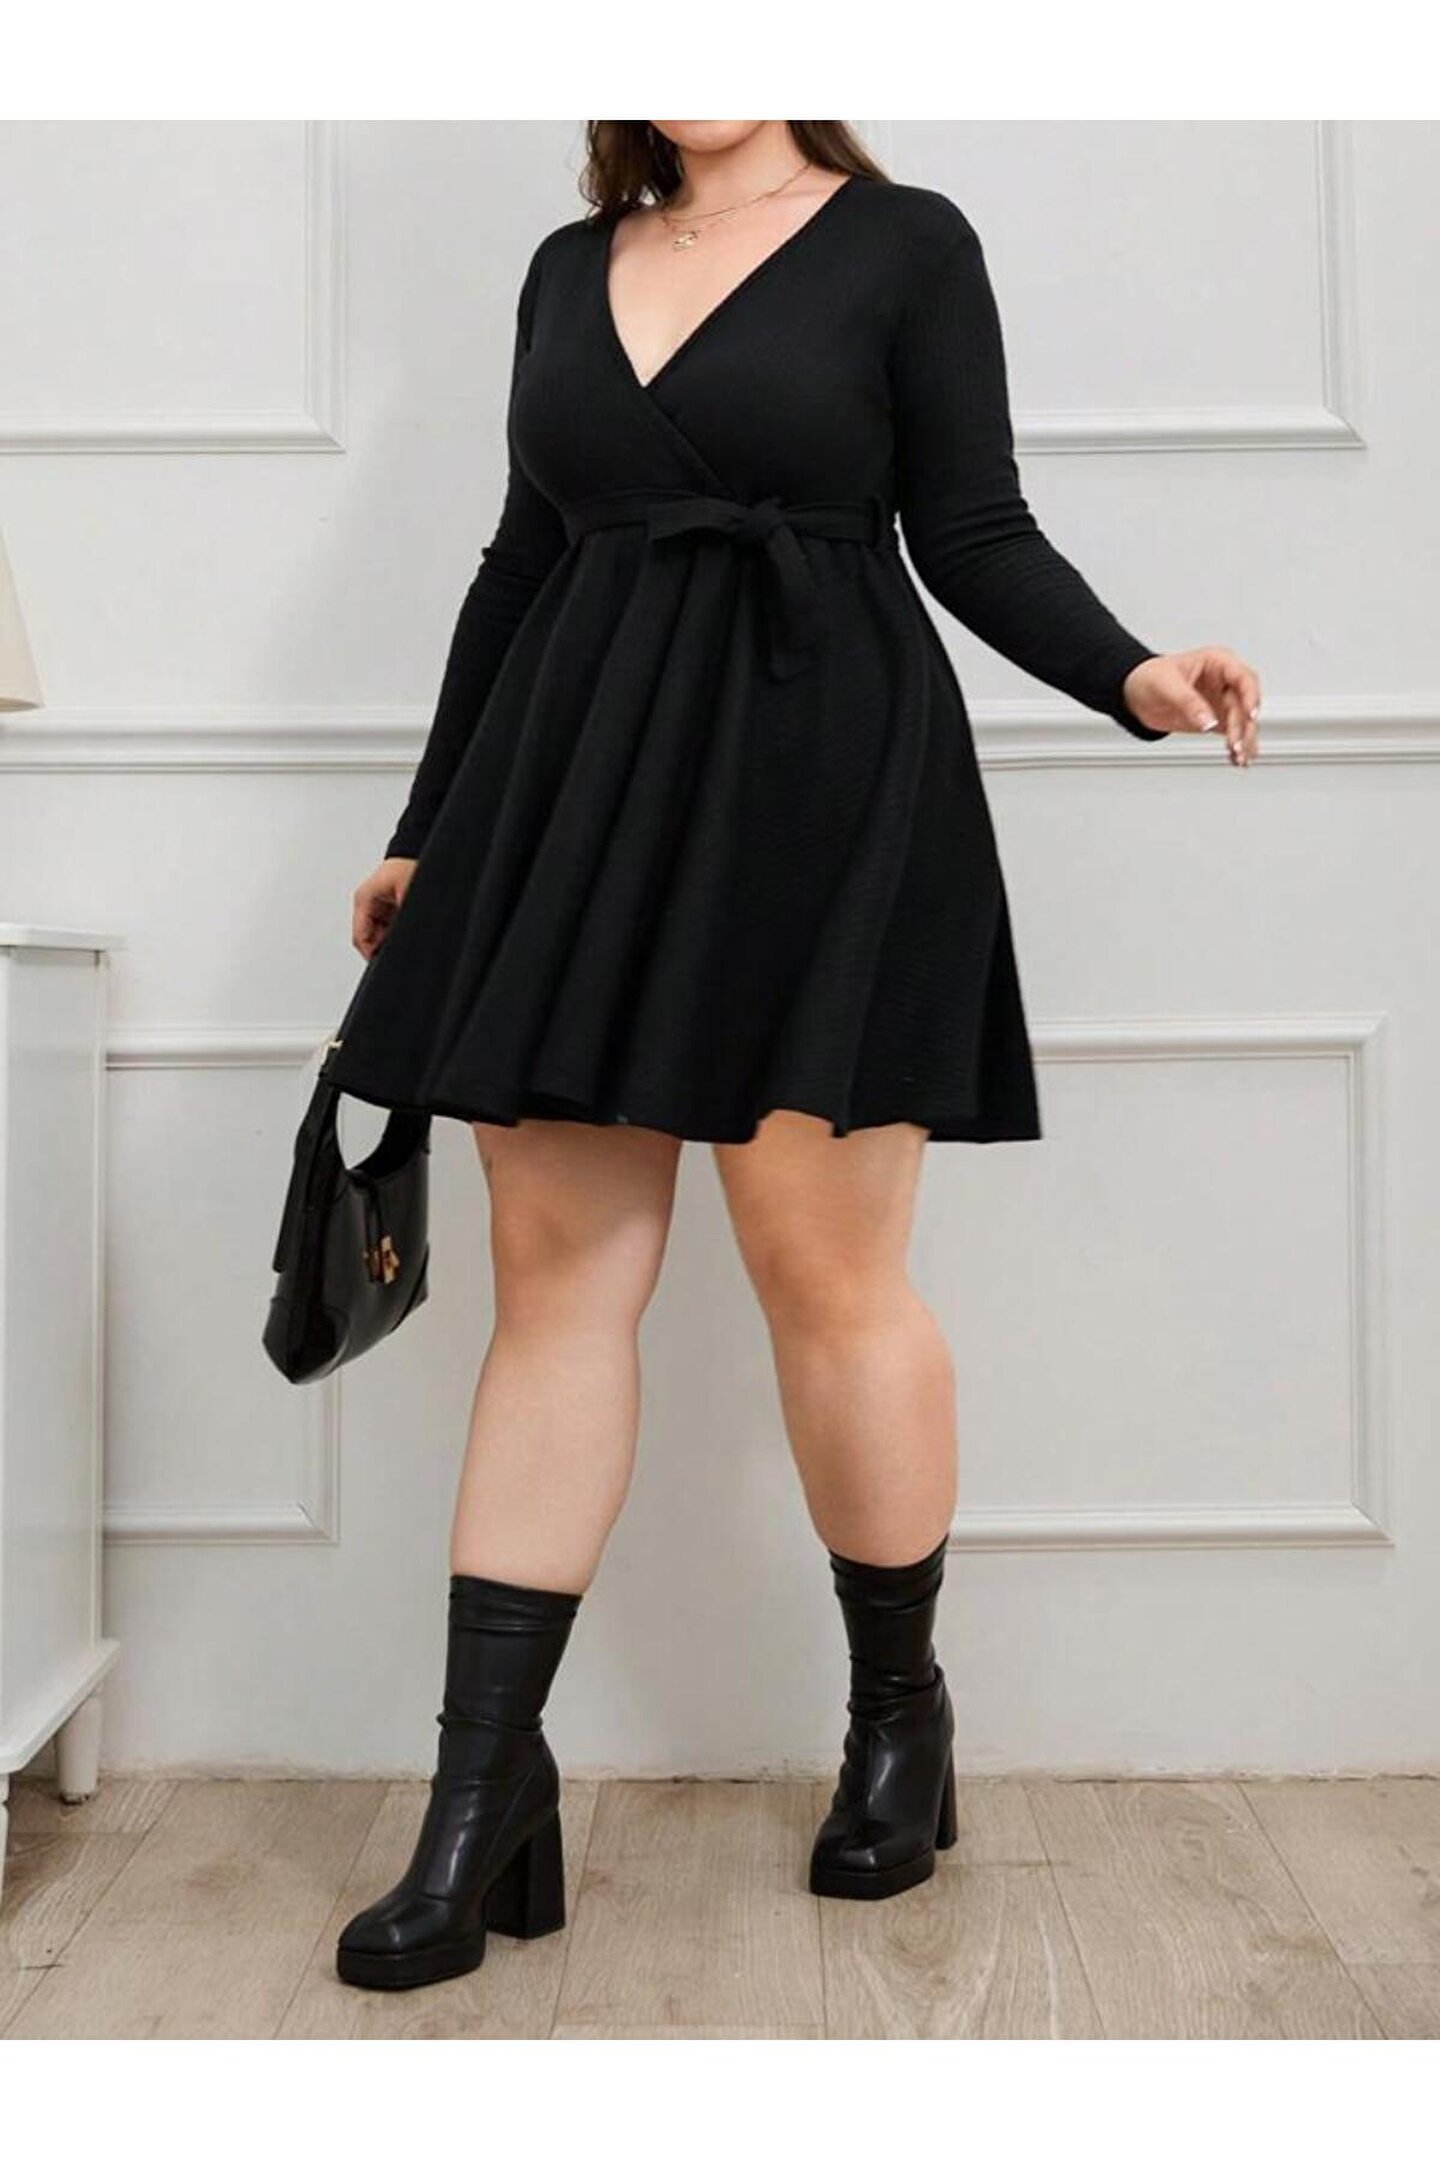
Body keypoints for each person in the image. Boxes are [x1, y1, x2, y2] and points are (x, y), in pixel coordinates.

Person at [328, 121, 1261, 1992]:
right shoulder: (564, 267)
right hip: (574, 802)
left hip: (825, 782)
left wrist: (1130, 672)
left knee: (825, 1278)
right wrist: (429, 831)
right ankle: (482, 1794)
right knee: (555, 1292)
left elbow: (971, 529)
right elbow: (522, 561)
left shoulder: (906, 242)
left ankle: (901, 1719)